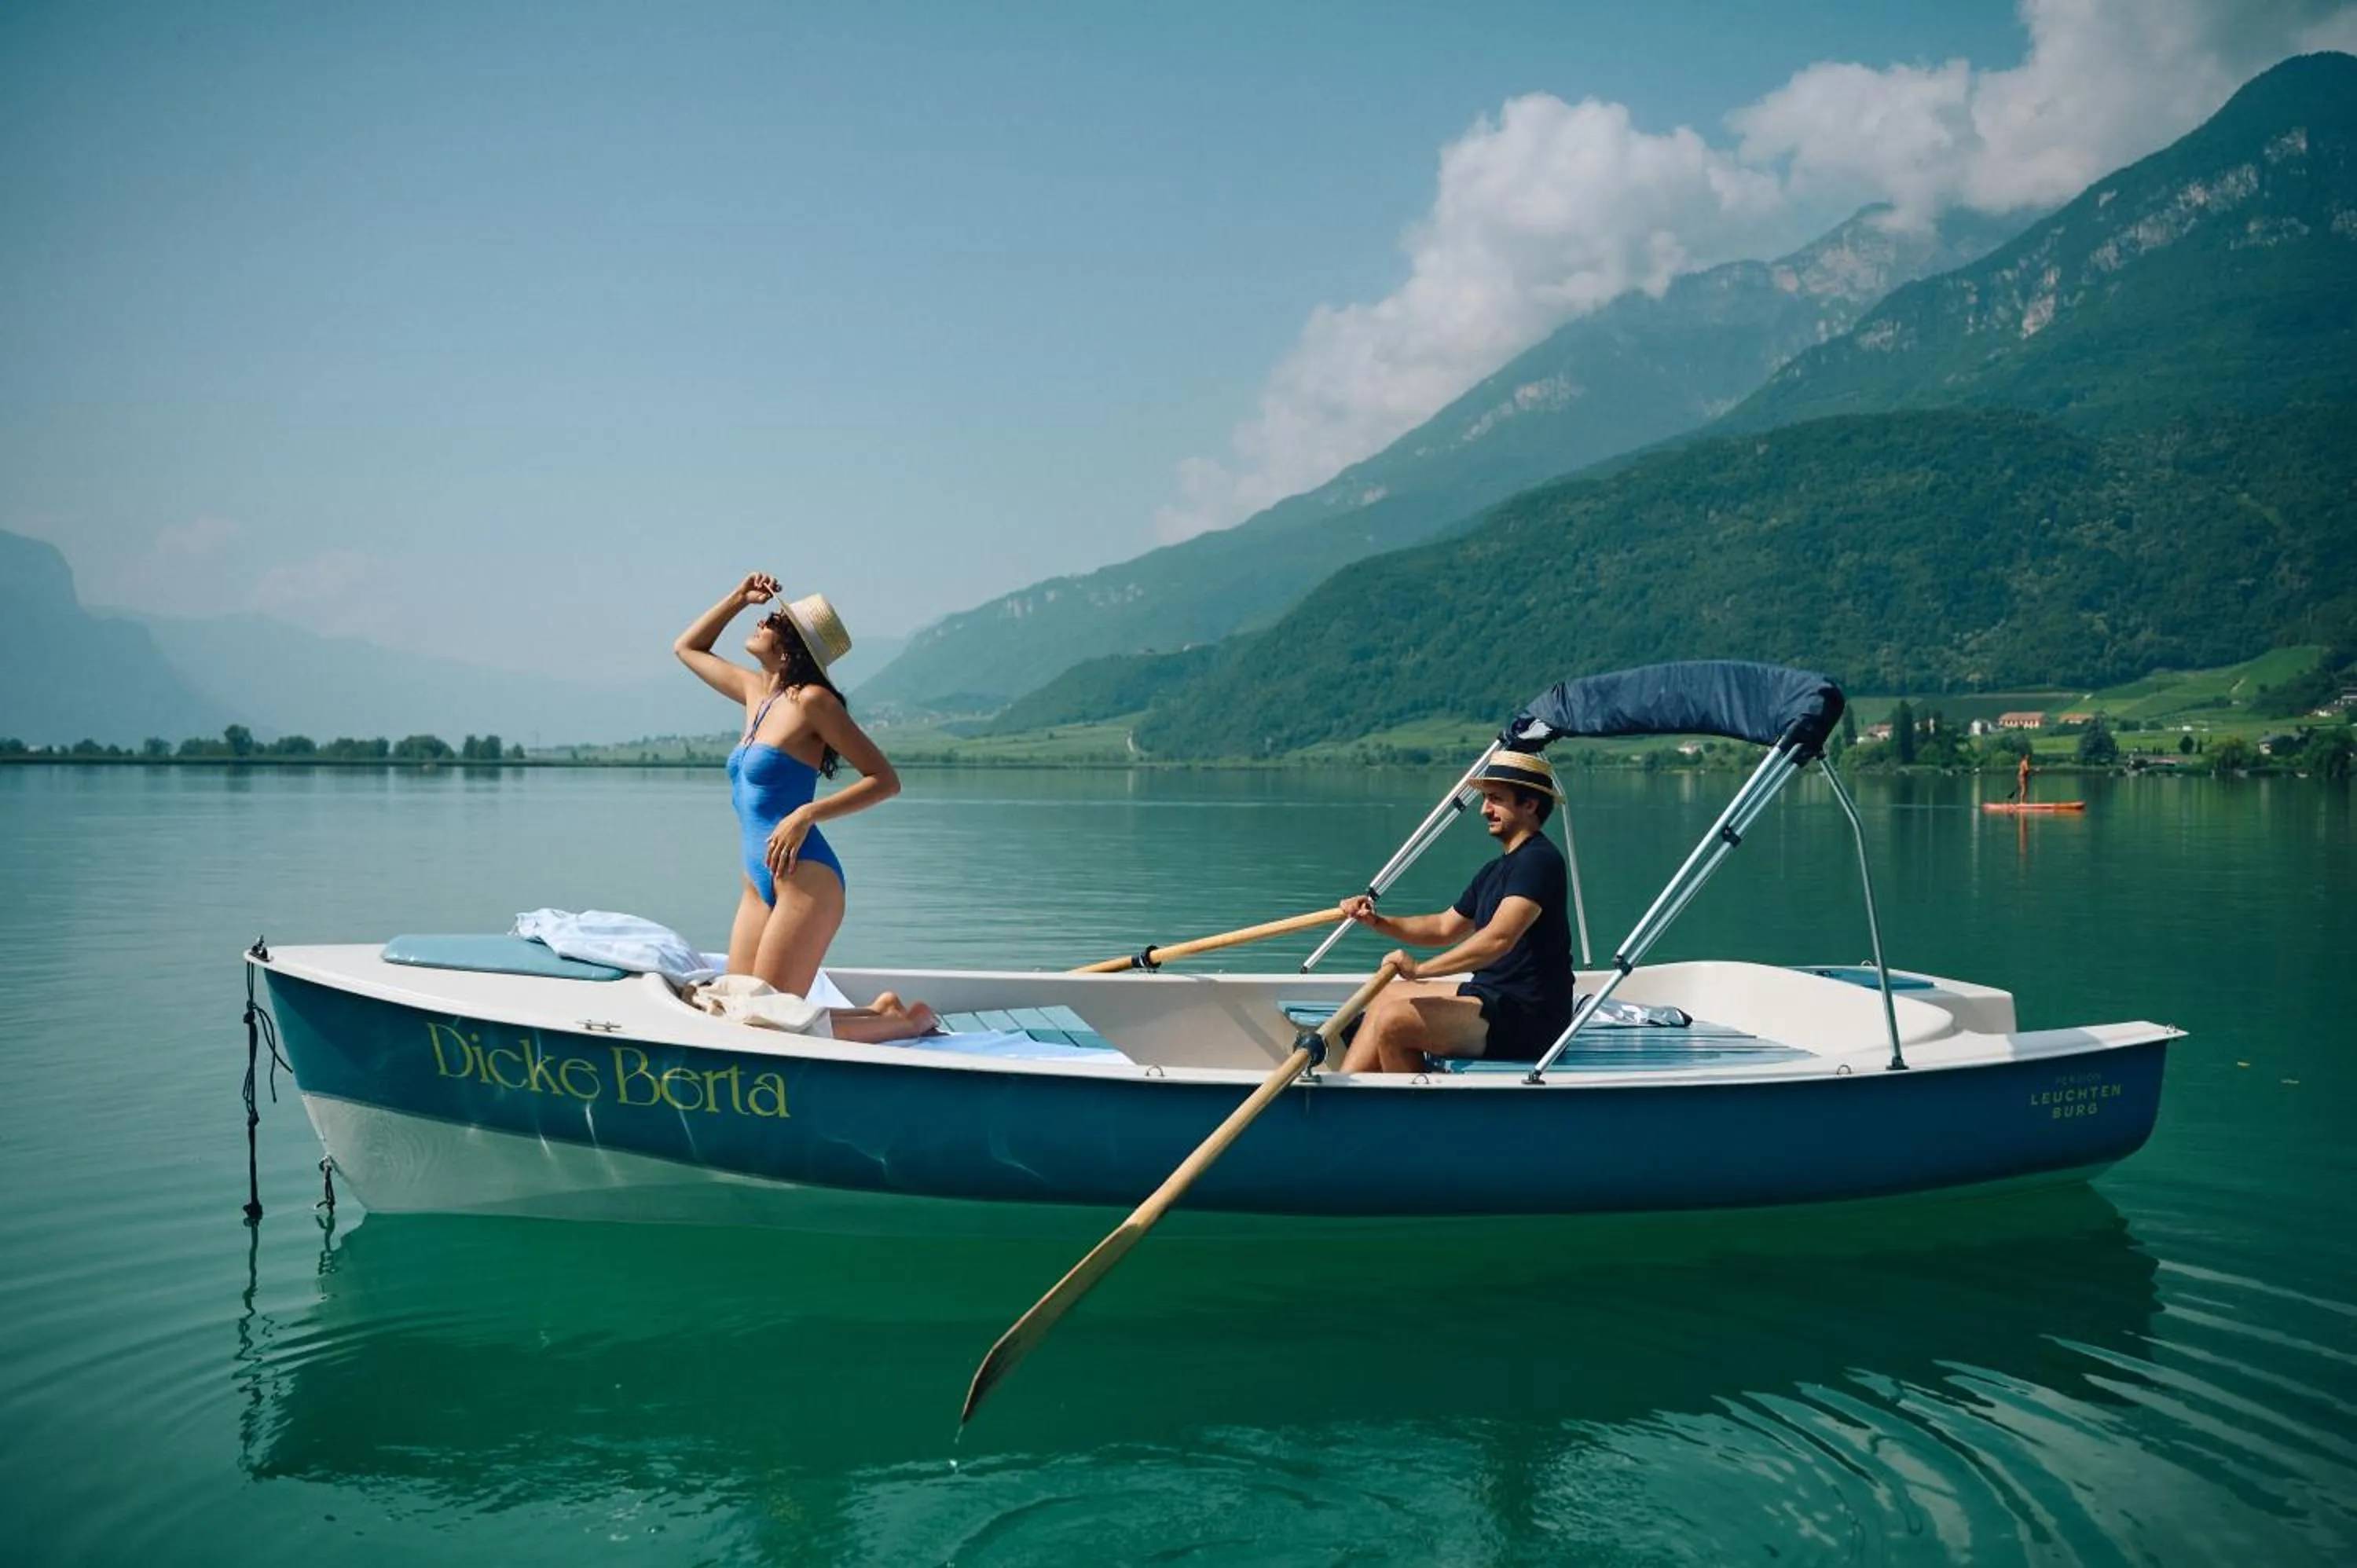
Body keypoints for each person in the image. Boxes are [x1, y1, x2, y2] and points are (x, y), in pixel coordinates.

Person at [674, 572, 900, 997]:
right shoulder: (755, 692)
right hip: (756, 881)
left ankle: (903, 1020)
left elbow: (885, 780)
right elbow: (687, 647)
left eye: (776, 620)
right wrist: (739, 598)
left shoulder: (814, 701)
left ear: (794, 645)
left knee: (770, 1016)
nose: (763, 621)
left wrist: (807, 813)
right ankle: (887, 1014)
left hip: (806, 880)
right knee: (736, 1005)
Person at [1337, 751, 1573, 1073]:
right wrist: (1376, 921)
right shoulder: (1496, 870)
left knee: (1396, 1021)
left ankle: (1410, 1119)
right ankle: (1345, 1096)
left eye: (1495, 799)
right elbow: (1444, 927)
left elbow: (1498, 939)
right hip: (1493, 996)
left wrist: (1421, 970)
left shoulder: (1539, 862)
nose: (1484, 810)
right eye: (1485, 799)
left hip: (1530, 1015)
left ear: (1529, 805)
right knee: (1386, 994)